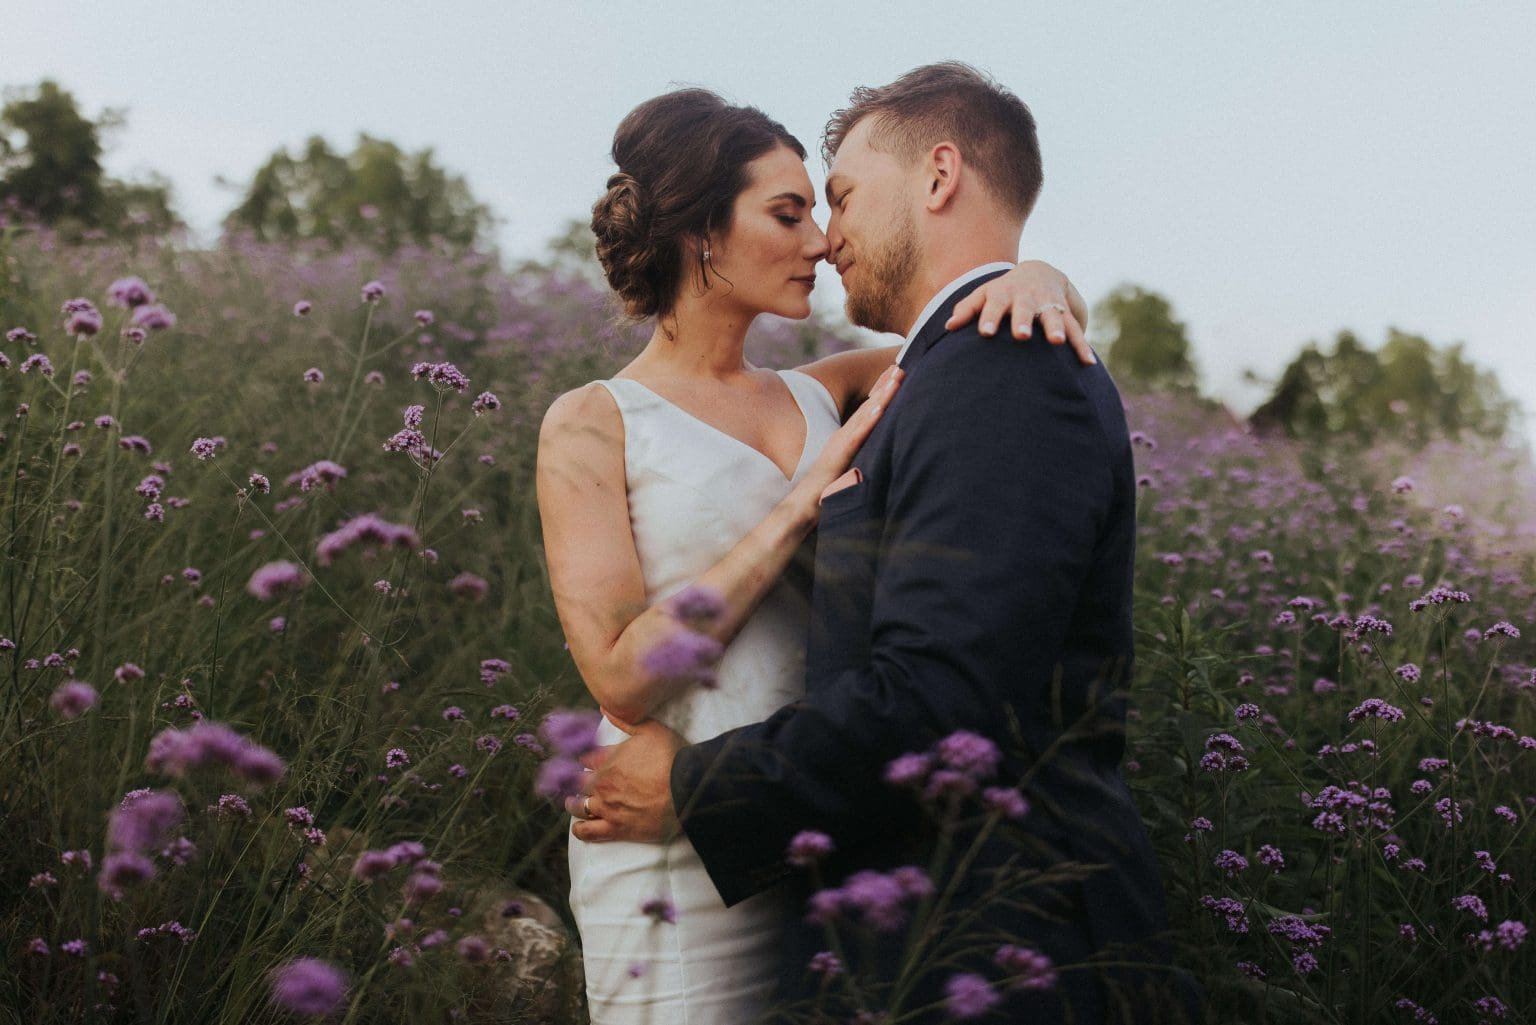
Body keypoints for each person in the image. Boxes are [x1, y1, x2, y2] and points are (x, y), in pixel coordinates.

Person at [571, 64, 1197, 1024]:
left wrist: (1044, 276)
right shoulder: (935, 369)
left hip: (962, 919)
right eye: (796, 212)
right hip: (811, 859)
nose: (827, 239)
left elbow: (945, 691)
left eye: (842, 198)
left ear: (939, 176)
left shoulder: (988, 363)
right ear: (703, 232)